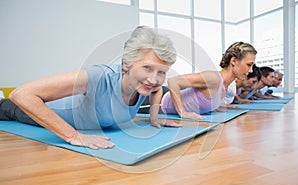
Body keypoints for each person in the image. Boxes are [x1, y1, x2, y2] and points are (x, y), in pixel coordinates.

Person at [0, 26, 178, 149]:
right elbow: (22, 94)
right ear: (126, 64)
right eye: (147, 68)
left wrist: (154, 118)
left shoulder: (147, 85)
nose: (154, 79)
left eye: (161, 71)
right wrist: (73, 136)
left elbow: (157, 89)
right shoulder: (98, 76)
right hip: (28, 111)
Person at [160, 41, 257, 120]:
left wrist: (214, 106)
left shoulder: (225, 86)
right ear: (234, 61)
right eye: (249, 65)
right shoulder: (213, 78)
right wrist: (182, 112)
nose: (251, 70)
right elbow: (173, 81)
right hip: (162, 105)